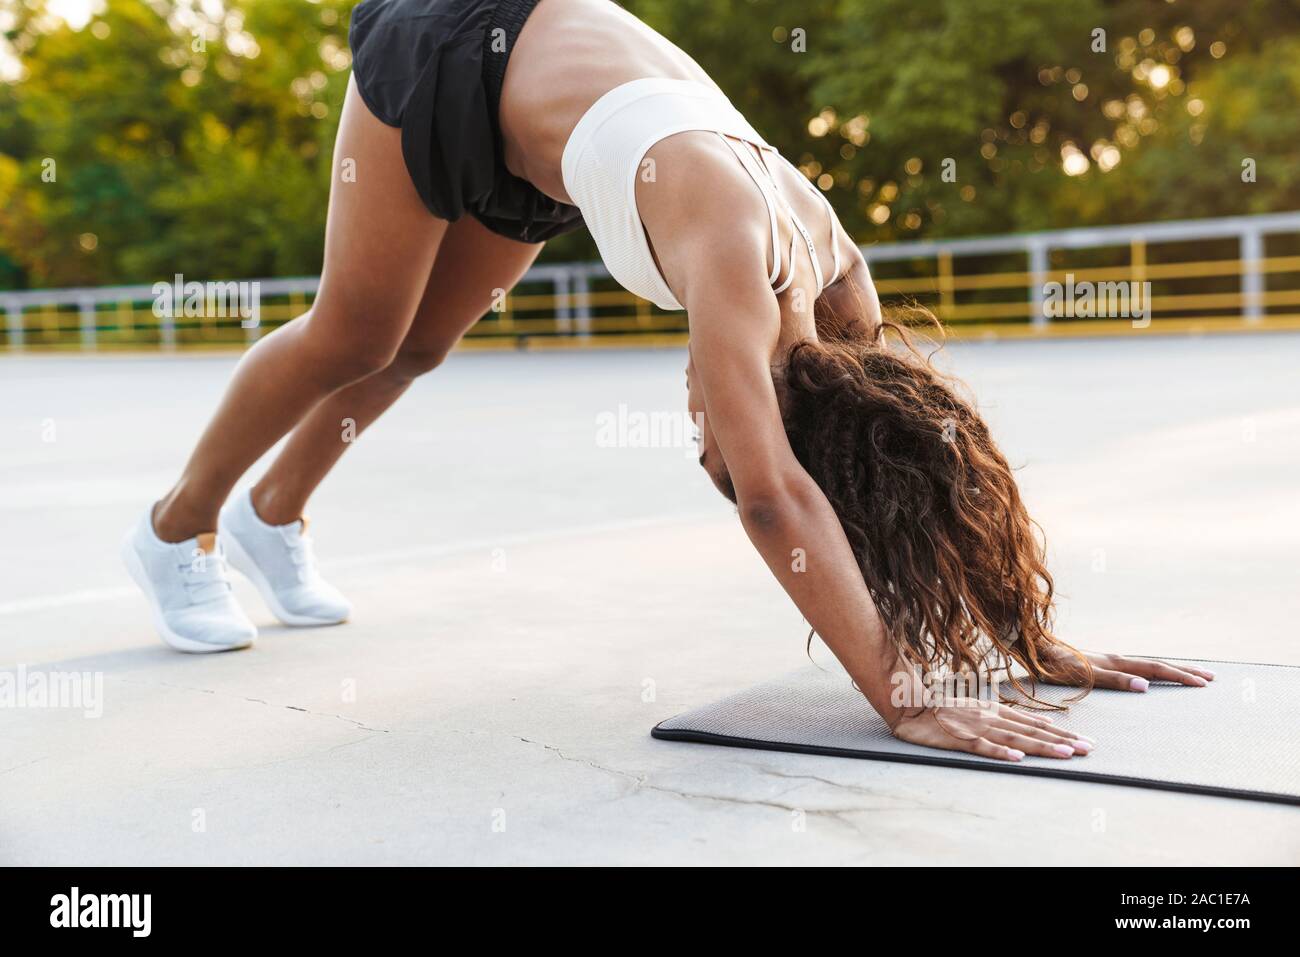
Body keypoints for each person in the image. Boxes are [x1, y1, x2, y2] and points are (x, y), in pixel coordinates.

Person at [121, 0, 1214, 762]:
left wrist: (1021, 633)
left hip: (542, 129)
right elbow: (778, 496)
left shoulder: (841, 303)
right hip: (455, 40)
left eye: (707, 448)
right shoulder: (739, 277)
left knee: (420, 346)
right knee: (355, 332)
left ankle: (277, 514)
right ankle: (179, 529)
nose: (704, 435)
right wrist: (904, 693)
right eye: (716, 444)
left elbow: (928, 467)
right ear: (767, 405)